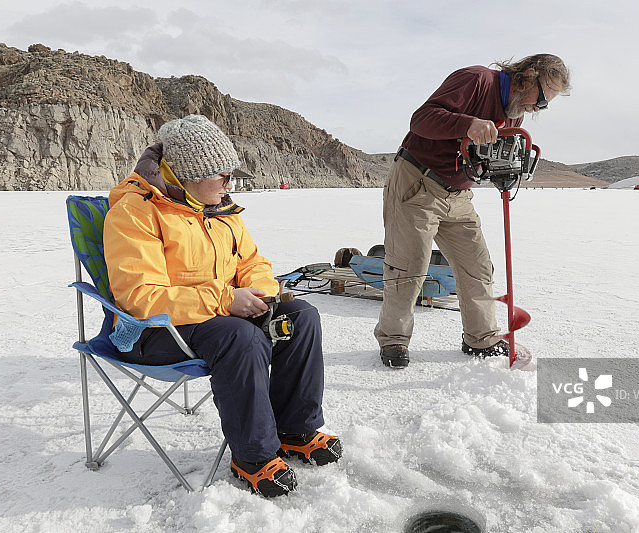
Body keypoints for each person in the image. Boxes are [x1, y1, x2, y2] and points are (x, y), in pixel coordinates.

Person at [103, 114, 341, 497]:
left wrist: (260, 297)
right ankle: (253, 457)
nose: (231, 184)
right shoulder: (136, 212)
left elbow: (253, 264)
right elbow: (140, 298)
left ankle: (296, 430)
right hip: (153, 332)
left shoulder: (221, 210)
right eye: (223, 176)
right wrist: (226, 299)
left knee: (302, 316)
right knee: (240, 337)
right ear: (189, 174)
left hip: (214, 317)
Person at [374, 54, 571, 368]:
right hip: (418, 181)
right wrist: (468, 124)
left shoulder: (514, 114)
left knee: (477, 266)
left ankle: (480, 338)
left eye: (546, 105)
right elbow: (422, 119)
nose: (539, 107)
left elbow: (482, 155)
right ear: (528, 75)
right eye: (542, 98)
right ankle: (394, 338)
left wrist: (501, 171)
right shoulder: (477, 80)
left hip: (459, 193)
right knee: (408, 267)